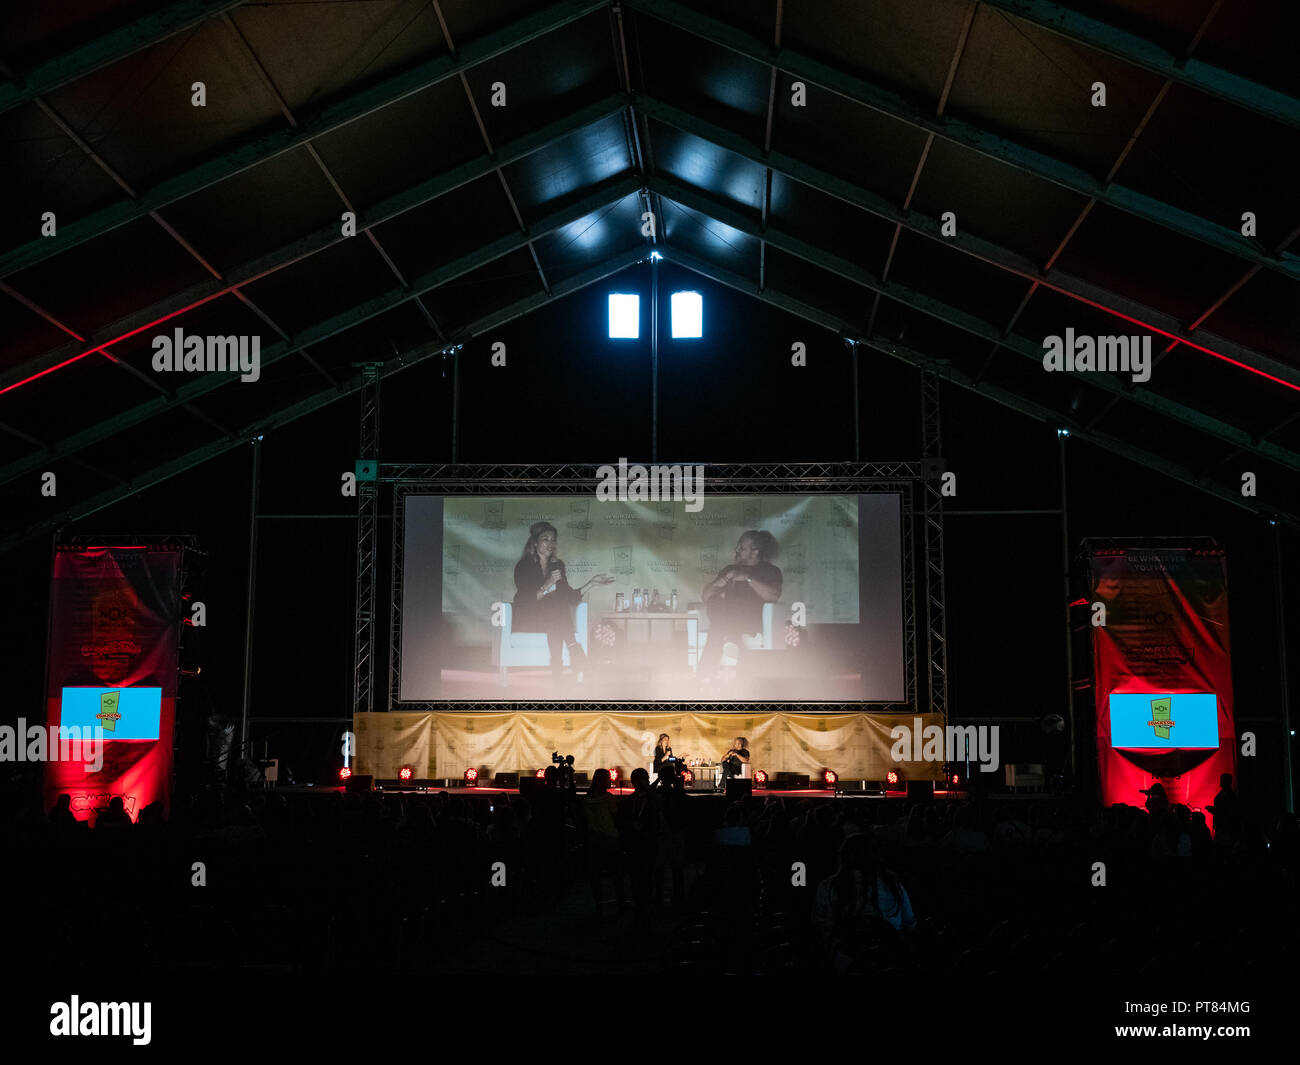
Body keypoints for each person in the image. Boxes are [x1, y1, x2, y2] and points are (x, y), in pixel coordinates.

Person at [512, 521, 612, 686]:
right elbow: (529, 599)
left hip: (552, 620)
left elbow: (569, 596)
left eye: (553, 539)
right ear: (535, 542)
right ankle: (574, 650)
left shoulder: (557, 565)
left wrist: (592, 583)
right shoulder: (524, 566)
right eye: (545, 539)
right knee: (554, 607)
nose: (551, 543)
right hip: (528, 617)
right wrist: (549, 583)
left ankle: (558, 671)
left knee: (556, 607)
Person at [697, 530, 782, 679]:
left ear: (755, 552)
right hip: (726, 618)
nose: (737, 550)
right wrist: (726, 577)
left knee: (718, 627)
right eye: (738, 546)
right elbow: (706, 595)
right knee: (717, 609)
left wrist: (748, 578)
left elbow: (773, 595)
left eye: (742, 548)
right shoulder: (730, 569)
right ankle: (732, 641)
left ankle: (704, 678)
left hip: (751, 620)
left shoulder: (770, 571)